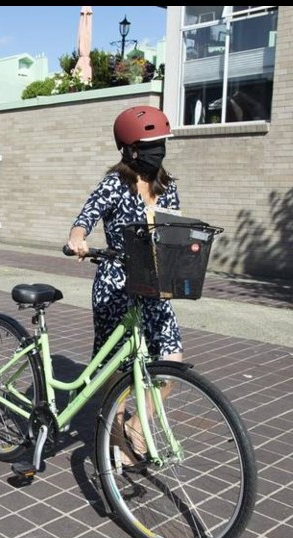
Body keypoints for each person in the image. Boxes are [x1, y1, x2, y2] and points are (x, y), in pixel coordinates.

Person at [65, 105, 182, 465]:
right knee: (115, 370)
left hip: (154, 285)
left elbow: (173, 233)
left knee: (172, 359)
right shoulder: (114, 184)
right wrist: (77, 239)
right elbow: (84, 219)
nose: (158, 151)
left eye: (161, 143)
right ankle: (113, 435)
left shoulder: (168, 187)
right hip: (117, 285)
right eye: (150, 144)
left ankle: (136, 424)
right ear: (130, 149)